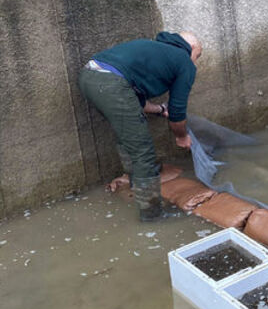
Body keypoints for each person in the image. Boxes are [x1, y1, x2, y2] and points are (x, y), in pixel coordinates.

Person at [78, 31, 202, 222]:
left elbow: (136, 102)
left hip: (89, 77)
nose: (195, 61)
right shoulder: (183, 61)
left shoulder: (154, 50)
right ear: (191, 48)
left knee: (128, 136)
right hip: (111, 83)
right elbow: (177, 111)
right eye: (198, 56)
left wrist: (160, 110)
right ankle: (152, 215)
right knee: (143, 151)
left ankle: (136, 181)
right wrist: (182, 136)